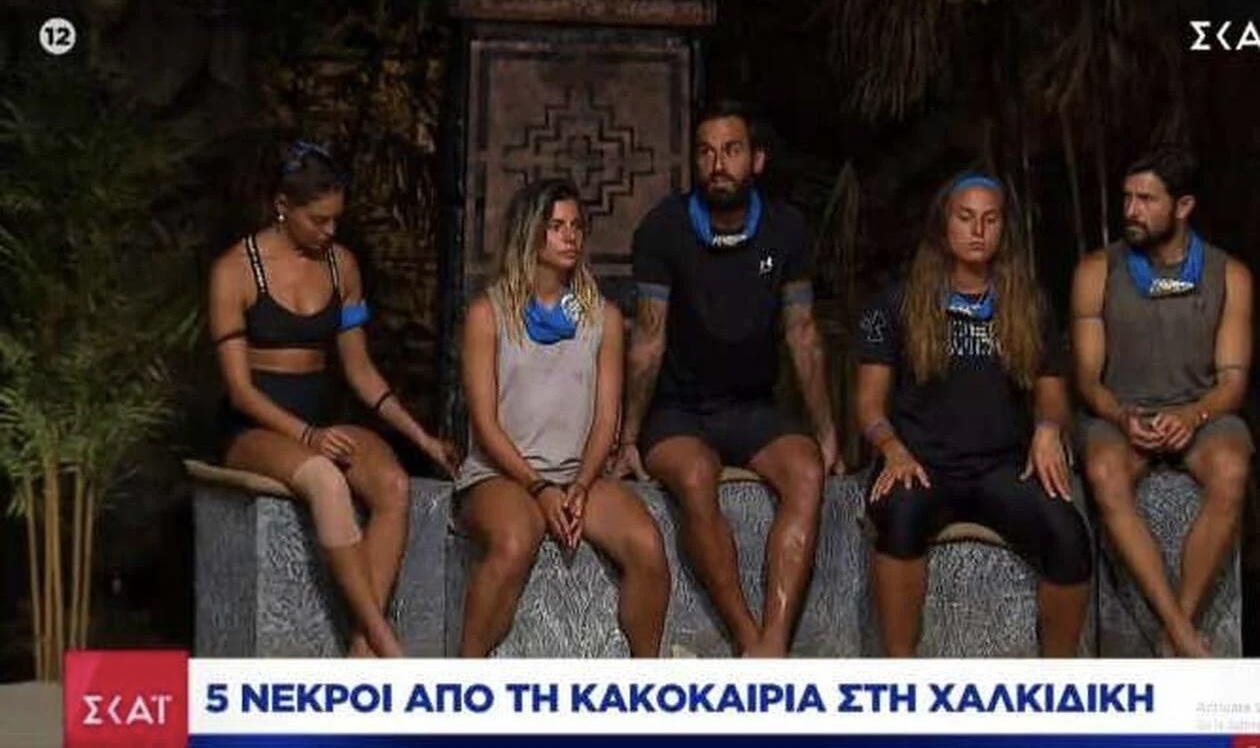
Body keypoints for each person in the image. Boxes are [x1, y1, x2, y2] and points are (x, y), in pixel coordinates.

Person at [208, 141, 460, 658]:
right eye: (318, 220)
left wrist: (423, 439)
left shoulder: (342, 266)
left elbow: (360, 372)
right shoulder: (234, 270)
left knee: (392, 483)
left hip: (321, 420)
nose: (330, 231)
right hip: (255, 426)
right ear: (284, 205)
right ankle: (385, 640)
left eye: (336, 220)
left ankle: (361, 655)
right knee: (325, 480)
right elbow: (239, 390)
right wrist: (308, 437)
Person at [613, 100, 841, 657]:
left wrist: (826, 430)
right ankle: (747, 637)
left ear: (756, 160)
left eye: (732, 151)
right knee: (695, 476)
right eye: (706, 152)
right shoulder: (663, 228)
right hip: (678, 410)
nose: (718, 164)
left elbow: (802, 334)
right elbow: (648, 339)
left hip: (752, 407)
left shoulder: (786, 229)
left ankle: (773, 643)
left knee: (807, 470)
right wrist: (628, 436)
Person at [855, 171, 1092, 657]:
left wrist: (1049, 428)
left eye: (990, 219)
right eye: (966, 217)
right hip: (922, 465)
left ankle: (1060, 681)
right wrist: (890, 448)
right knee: (900, 518)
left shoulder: (1029, 304)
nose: (978, 230)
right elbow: (868, 403)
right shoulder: (895, 304)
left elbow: (1052, 394)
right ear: (944, 224)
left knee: (1069, 536)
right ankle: (898, 676)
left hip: (1001, 468)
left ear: (1004, 228)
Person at [455, 178, 670, 658]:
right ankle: (464, 678)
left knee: (648, 546)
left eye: (576, 226)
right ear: (530, 232)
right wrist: (537, 487)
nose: (570, 236)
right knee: (515, 540)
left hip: (578, 476)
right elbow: (485, 424)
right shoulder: (488, 314)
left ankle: (647, 682)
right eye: (556, 226)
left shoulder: (602, 317)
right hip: (500, 475)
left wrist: (581, 485)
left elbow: (606, 419)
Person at [1071, 144, 1252, 657]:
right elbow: (1087, 380)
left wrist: (1193, 416)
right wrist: (1121, 414)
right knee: (1104, 472)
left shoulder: (1231, 276)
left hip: (1202, 414)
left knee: (1232, 469)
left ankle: (1178, 628)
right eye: (1127, 198)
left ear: (1183, 206)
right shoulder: (1096, 270)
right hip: (1120, 413)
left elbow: (1232, 382)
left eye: (1146, 200)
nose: (1131, 210)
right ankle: (1182, 633)